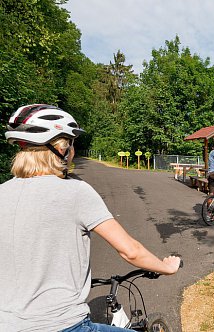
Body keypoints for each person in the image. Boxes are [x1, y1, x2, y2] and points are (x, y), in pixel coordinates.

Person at [0, 104, 182, 332]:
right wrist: (168, 267)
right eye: (72, 143)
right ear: (61, 149)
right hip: (62, 324)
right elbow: (130, 251)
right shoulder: (75, 191)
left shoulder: (2, 192)